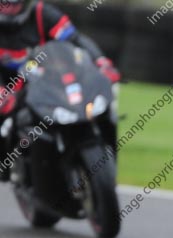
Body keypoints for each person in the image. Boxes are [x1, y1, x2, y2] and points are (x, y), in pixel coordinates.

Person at [0, 0, 120, 180]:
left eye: (15, 4)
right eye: (5, 4)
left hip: (47, 82)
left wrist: (101, 62)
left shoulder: (42, 14)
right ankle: (12, 169)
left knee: (102, 107)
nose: (9, 9)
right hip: (9, 86)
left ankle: (105, 159)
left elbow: (76, 40)